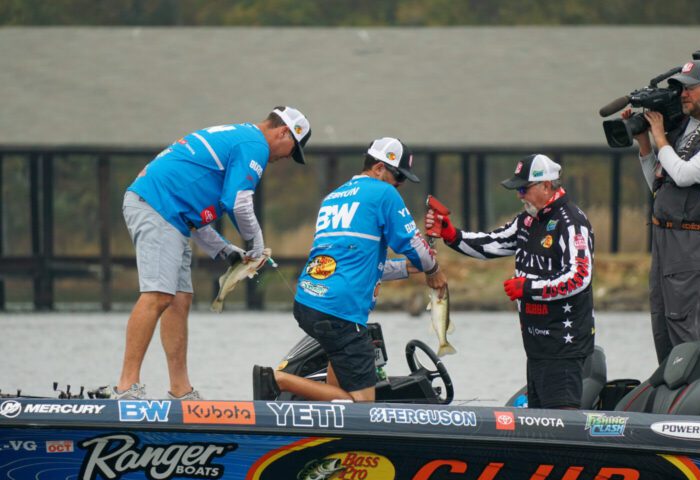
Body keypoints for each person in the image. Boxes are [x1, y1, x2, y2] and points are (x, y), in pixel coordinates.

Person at [115, 106, 311, 400]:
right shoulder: (255, 145)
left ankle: (181, 391)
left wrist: (225, 251)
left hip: (171, 213)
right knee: (158, 295)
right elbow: (238, 203)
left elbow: (195, 214)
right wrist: (257, 246)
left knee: (179, 300)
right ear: (283, 132)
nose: (286, 158)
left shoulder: (242, 137)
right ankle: (126, 386)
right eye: (292, 150)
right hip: (157, 206)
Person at [252, 137, 448, 402]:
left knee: (341, 395)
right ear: (379, 168)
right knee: (362, 402)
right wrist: (433, 270)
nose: (400, 184)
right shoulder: (384, 193)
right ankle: (277, 380)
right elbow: (412, 243)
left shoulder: (334, 197)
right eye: (399, 176)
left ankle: (308, 405)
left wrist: (404, 267)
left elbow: (355, 262)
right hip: (340, 311)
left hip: (308, 302)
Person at [623, 57, 700, 416]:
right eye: (680, 88)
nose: (683, 95)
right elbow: (660, 182)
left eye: (690, 88)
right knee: (664, 323)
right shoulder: (687, 125)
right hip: (666, 237)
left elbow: (685, 174)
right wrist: (645, 143)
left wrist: (660, 136)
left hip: (695, 241)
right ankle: (676, 404)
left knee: (687, 323)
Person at [425, 154, 595, 409]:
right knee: (538, 421)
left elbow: (580, 276)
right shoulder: (526, 220)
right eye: (517, 189)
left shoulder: (571, 222)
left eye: (524, 189)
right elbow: (492, 243)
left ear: (546, 185)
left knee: (559, 420)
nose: (519, 195)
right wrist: (452, 235)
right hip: (535, 344)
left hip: (563, 345)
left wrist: (528, 288)